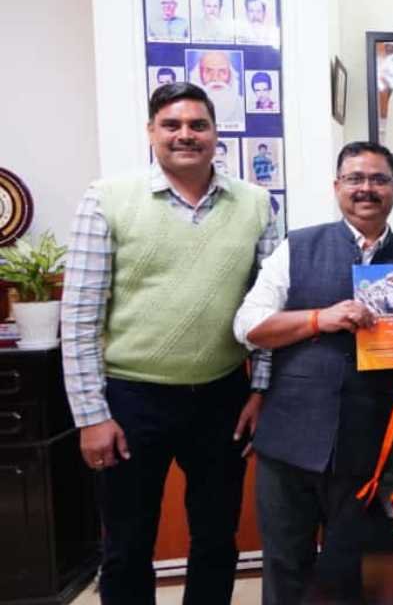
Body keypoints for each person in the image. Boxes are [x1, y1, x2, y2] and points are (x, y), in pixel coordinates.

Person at [60, 82, 277, 604]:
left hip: (223, 396)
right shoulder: (107, 198)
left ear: (215, 134)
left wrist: (260, 389)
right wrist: (91, 415)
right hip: (131, 400)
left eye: (198, 125)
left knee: (216, 539)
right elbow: (80, 315)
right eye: (171, 125)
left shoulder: (255, 203)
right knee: (127, 544)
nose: (186, 135)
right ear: (151, 132)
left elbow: (267, 306)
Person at [233, 141, 393, 604]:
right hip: (289, 439)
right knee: (285, 567)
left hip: (368, 443)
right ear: (337, 187)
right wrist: (319, 319)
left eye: (378, 179)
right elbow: (247, 325)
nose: (366, 188)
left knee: (350, 571)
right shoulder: (297, 247)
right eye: (355, 178)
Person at [191, 50, 244, 128]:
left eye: (222, 71)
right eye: (209, 71)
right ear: (199, 75)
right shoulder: (186, 108)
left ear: (231, 75)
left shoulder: (242, 105)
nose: (215, 78)